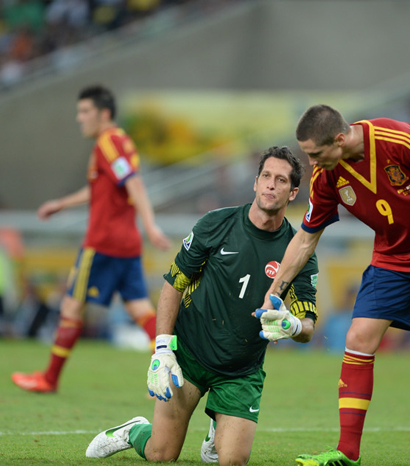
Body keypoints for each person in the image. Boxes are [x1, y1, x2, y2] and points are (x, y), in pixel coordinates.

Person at [263, 105, 410, 466]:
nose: (310, 161)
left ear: (339, 139)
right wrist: (273, 292)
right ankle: (348, 452)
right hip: (391, 260)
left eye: (315, 153)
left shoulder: (401, 140)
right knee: (358, 339)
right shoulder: (326, 176)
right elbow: (305, 239)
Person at [85, 146, 319, 465]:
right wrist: (163, 350)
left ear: (293, 193)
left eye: (280, 180)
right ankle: (132, 431)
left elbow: (308, 326)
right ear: (255, 182)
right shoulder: (216, 224)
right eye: (265, 176)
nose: (270, 185)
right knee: (161, 453)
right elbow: (173, 284)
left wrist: (293, 325)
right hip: (191, 356)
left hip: (241, 371)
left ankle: (219, 425)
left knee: (232, 460)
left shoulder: (299, 251)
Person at [12, 84, 170, 393]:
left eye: (85, 111)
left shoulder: (107, 143)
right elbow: (105, 188)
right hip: (127, 244)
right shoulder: (122, 141)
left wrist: (152, 226)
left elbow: (134, 184)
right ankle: (170, 366)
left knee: (71, 307)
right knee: (141, 309)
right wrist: (61, 203)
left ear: (104, 113)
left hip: (102, 244)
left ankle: (49, 378)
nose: (79, 118)